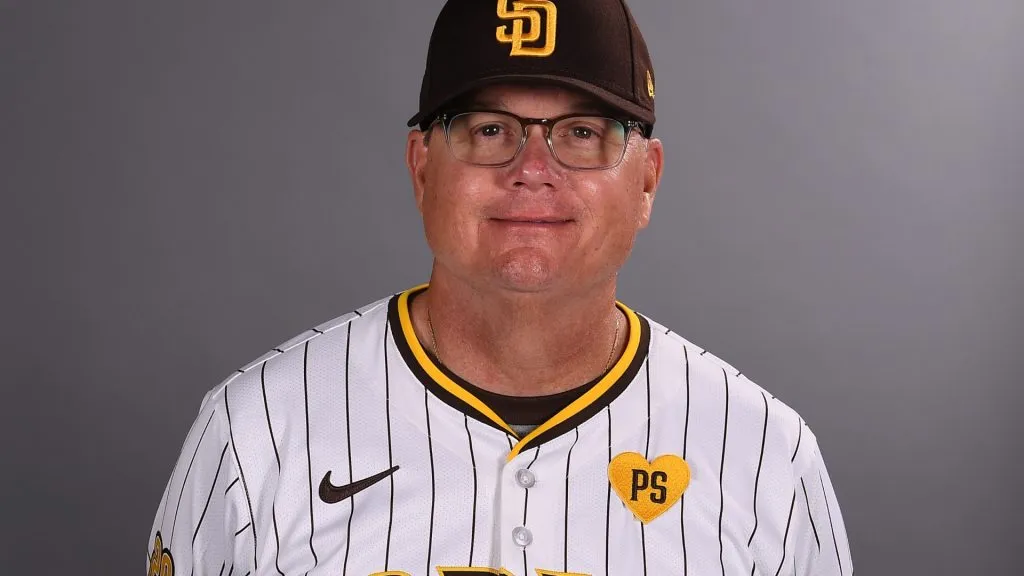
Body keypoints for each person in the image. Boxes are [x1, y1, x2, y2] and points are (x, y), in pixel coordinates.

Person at [147, 0, 853, 574]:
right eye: (489, 129)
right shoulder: (258, 430)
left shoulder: (763, 453)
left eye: (581, 133)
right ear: (422, 167)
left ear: (647, 180)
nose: (532, 168)